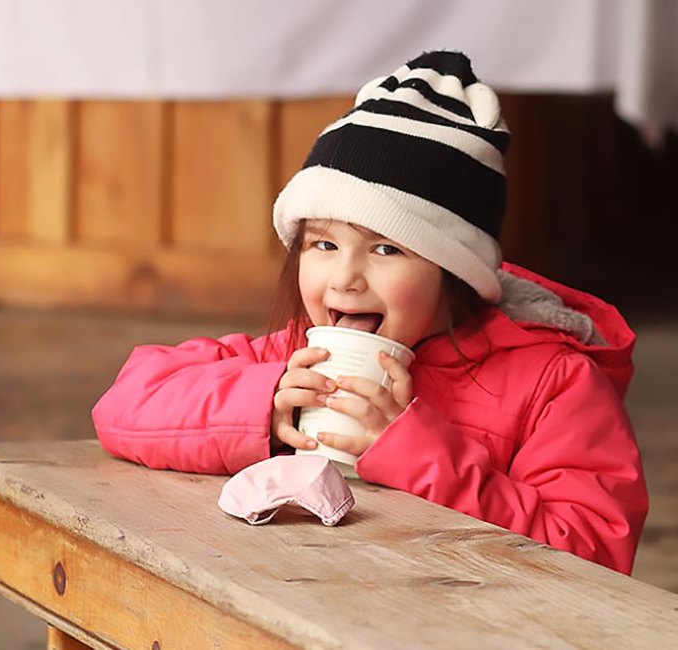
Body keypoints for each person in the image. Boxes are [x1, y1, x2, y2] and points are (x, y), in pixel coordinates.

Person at [92, 50, 648, 574]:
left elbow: (593, 551)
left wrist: (417, 453)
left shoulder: (554, 384)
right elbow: (124, 404)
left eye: (386, 249)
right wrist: (264, 407)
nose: (345, 278)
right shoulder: (296, 361)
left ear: (455, 271)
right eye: (323, 245)